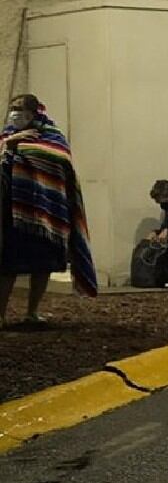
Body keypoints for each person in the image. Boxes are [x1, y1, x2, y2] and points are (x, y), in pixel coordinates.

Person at [0, 95, 97, 327]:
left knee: (43, 265)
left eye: (19, 109)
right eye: (12, 108)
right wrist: (11, 144)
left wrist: (25, 149)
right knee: (7, 266)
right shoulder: (5, 137)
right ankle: (0, 315)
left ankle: (32, 312)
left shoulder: (53, 138)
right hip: (14, 213)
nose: (14, 113)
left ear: (33, 113)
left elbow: (60, 162)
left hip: (48, 215)